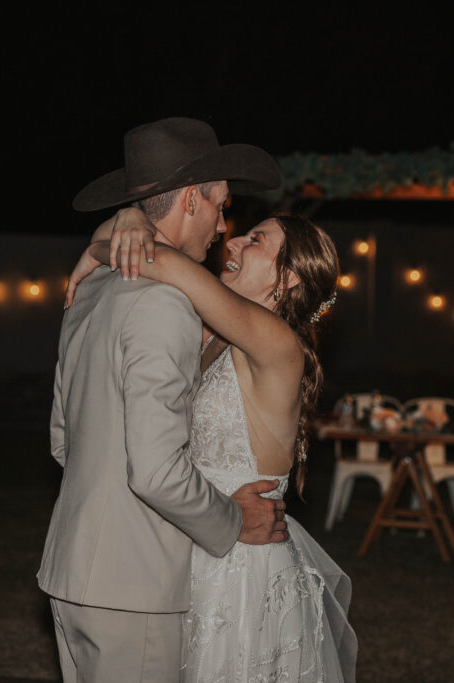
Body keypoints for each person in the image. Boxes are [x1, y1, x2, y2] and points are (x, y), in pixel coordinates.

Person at [37, 116, 291, 683]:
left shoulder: (89, 288)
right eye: (221, 206)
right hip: (133, 584)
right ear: (192, 201)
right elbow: (153, 470)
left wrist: (116, 229)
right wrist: (234, 520)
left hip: (71, 573)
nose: (224, 227)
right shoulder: (165, 303)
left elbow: (63, 440)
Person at [66, 208, 358, 682]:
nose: (235, 241)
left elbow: (161, 262)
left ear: (287, 279)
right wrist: (126, 221)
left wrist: (99, 246)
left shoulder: (276, 340)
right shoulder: (217, 338)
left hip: (242, 568)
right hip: (201, 539)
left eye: (257, 241)